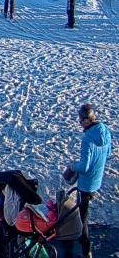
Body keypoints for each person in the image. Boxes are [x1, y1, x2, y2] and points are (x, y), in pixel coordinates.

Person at [64, 103, 112, 258]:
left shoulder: (87, 139)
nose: (80, 124)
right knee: (83, 210)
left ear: (86, 120)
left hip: (86, 184)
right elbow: (108, 154)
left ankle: (86, 249)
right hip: (97, 180)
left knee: (82, 216)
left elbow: (84, 167)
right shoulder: (105, 130)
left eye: (80, 121)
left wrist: (73, 166)